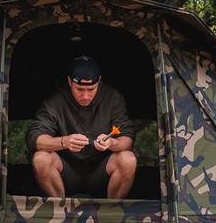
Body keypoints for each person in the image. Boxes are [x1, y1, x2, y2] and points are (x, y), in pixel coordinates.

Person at [26, 55, 137, 199]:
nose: (85, 96)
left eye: (91, 89)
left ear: (99, 81)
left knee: (127, 159)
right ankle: (58, 211)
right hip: (65, 173)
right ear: (69, 82)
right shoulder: (55, 101)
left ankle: (113, 210)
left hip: (102, 172)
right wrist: (63, 142)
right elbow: (34, 138)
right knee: (41, 158)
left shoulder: (113, 98)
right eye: (79, 89)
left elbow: (128, 140)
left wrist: (111, 143)